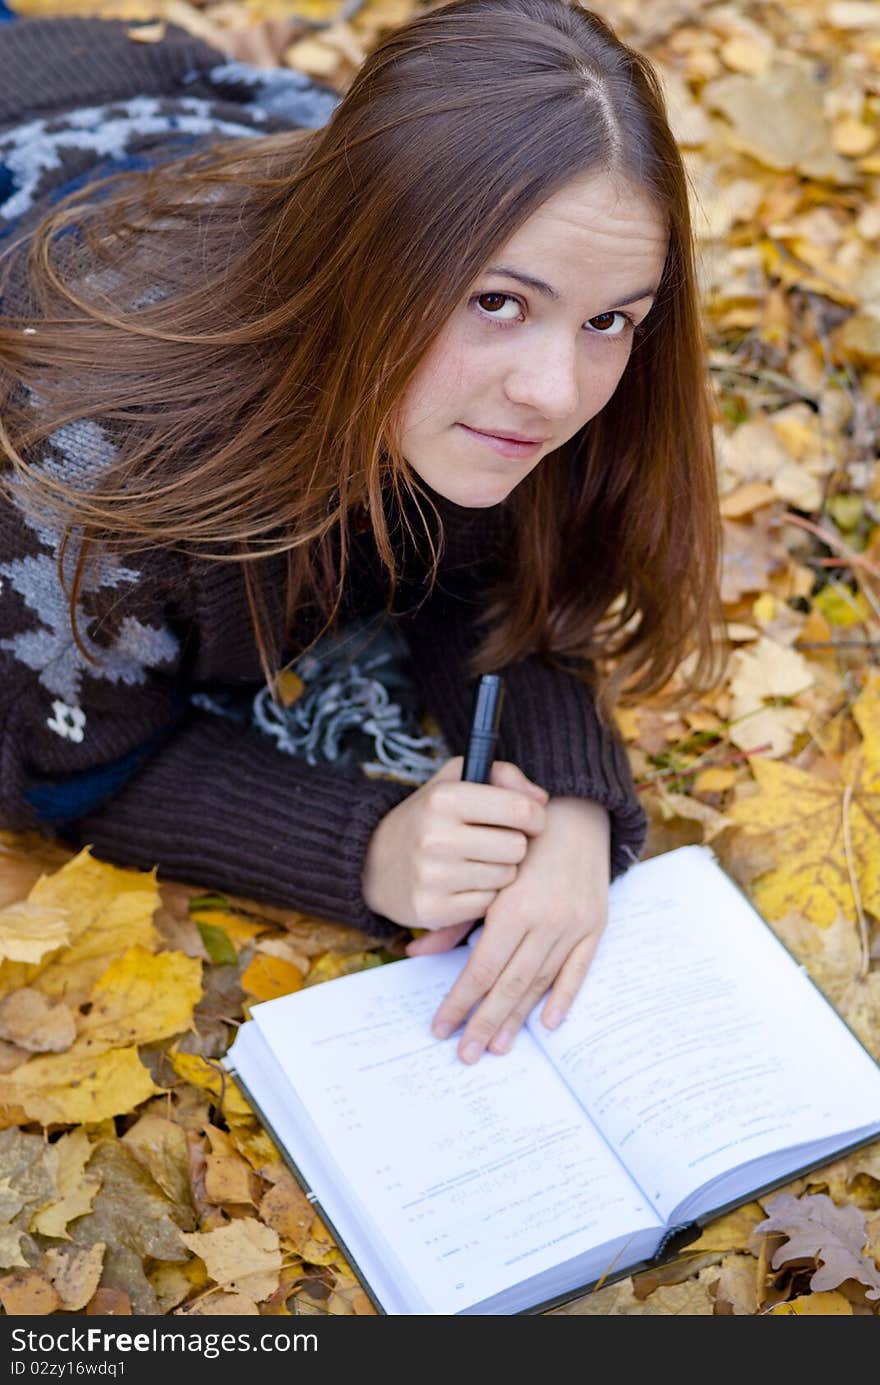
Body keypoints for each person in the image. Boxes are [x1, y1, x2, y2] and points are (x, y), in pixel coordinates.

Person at [0, 0, 724, 1068]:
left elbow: (483, 569)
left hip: (194, 108)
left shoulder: (508, 322)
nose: (554, 390)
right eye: (497, 301)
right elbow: (72, 759)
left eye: (610, 318)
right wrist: (367, 845)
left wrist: (569, 798)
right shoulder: (88, 446)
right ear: (368, 252)